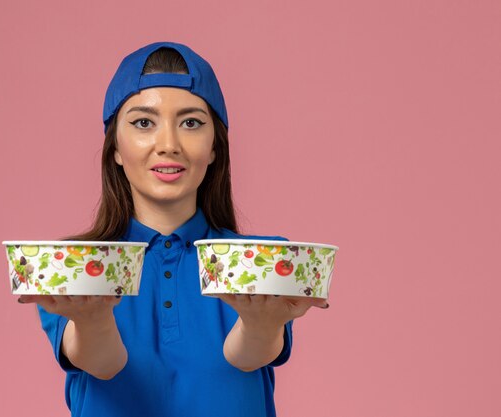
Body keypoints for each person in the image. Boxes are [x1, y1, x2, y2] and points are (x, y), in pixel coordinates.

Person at [18, 41, 328, 417]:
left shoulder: (263, 260)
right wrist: (92, 317)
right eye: (144, 123)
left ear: (215, 146)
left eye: (191, 123)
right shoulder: (74, 263)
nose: (168, 145)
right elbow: (103, 363)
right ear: (115, 146)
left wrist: (261, 324)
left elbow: (247, 357)